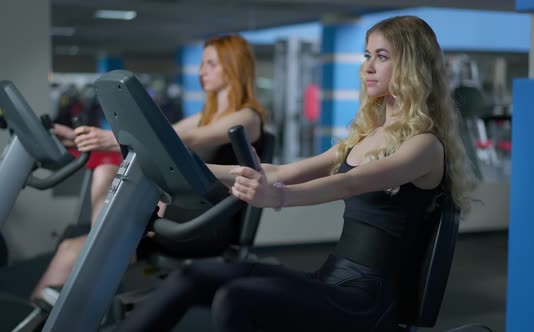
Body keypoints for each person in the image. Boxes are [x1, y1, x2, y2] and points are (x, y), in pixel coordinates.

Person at [114, 15, 476, 332]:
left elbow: (348, 183)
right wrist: (179, 165)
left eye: (382, 57)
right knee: (191, 277)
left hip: (365, 300)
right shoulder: (367, 136)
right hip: (330, 277)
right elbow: (281, 171)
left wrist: (280, 197)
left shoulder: (425, 146)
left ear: (412, 67)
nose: (368, 66)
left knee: (236, 299)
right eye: (367, 55)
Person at [30, 34, 268, 303]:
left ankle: (111, 247)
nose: (202, 71)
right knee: (102, 179)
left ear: (234, 65)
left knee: (77, 243)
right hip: (180, 208)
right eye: (202, 64)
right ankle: (111, 247)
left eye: (211, 63)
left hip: (207, 219)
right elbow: (163, 133)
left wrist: (112, 139)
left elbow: (182, 141)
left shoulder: (248, 117)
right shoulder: (205, 116)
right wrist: (75, 137)